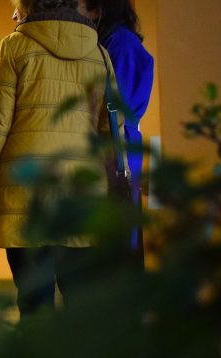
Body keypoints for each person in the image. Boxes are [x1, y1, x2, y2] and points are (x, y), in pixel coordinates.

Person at [0, 0, 124, 320]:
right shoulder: (99, 54)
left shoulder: (14, 46)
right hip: (81, 194)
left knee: (34, 304)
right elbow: (111, 130)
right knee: (80, 304)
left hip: (25, 195)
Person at [78, 0, 154, 251]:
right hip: (115, 144)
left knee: (115, 244)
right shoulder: (116, 41)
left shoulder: (120, 43)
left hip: (116, 147)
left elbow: (113, 110)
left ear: (98, 7)